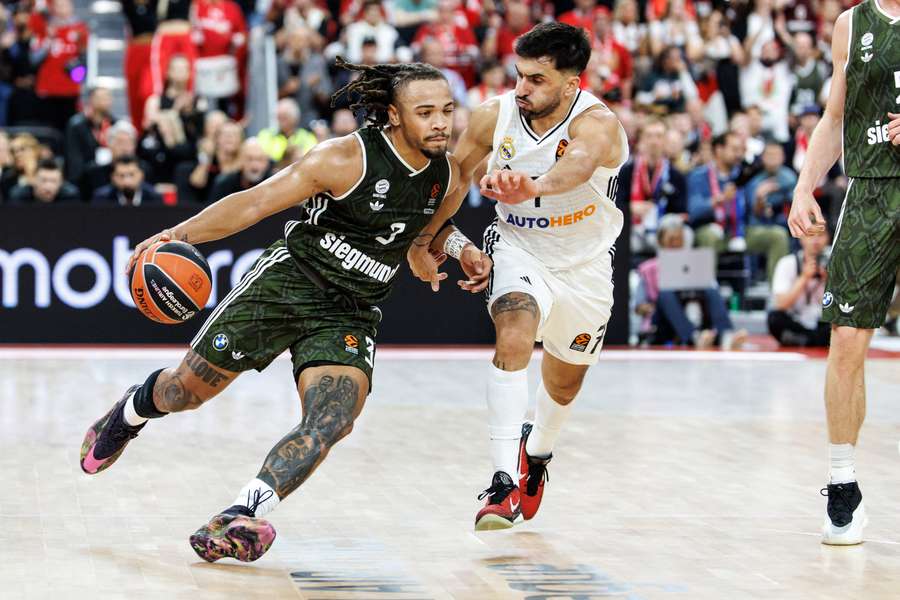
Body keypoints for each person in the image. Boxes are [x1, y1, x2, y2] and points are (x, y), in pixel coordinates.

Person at [78, 58, 489, 563]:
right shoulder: (344, 158)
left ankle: (237, 516)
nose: (442, 122)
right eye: (426, 112)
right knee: (182, 392)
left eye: (447, 110)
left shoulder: (446, 174)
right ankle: (131, 410)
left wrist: (455, 249)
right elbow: (253, 204)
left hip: (351, 311)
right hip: (287, 285)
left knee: (334, 418)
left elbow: (429, 226)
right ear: (393, 115)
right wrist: (176, 235)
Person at [409, 22, 628, 530]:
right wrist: (425, 240)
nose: (521, 88)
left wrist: (532, 185)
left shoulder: (598, 124)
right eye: (519, 75)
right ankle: (503, 480)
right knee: (513, 328)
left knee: (565, 385)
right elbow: (455, 178)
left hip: (586, 265)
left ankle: (538, 454)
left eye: (536, 80)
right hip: (520, 247)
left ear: (570, 83)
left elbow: (575, 168)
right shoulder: (495, 116)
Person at [788, 0, 900, 546]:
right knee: (847, 336)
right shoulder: (851, 25)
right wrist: (804, 184)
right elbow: (835, 117)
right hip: (872, 188)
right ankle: (841, 482)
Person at [635, 214, 746, 349]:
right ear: (661, 240)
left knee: (710, 288)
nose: (675, 244)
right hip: (662, 322)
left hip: (694, 312)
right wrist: (649, 308)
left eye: (679, 240)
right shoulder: (647, 269)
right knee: (666, 294)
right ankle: (693, 338)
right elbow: (638, 305)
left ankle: (726, 335)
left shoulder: (694, 263)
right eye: (671, 240)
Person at [768, 231, 830, 347]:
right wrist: (804, 278)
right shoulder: (787, 263)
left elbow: (840, 307)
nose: (816, 240)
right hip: (796, 321)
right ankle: (814, 341)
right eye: (811, 235)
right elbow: (781, 304)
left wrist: (829, 282)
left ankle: (807, 340)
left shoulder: (834, 263)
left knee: (840, 324)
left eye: (821, 235)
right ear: (801, 238)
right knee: (774, 319)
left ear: (828, 238)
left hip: (822, 323)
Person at [64, 87, 115, 185]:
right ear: (91, 100)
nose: (106, 101)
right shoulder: (76, 125)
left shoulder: (114, 123)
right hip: (85, 174)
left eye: (108, 97)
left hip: (109, 174)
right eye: (101, 97)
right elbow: (73, 157)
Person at [207, 137, 272, 202]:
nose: (254, 165)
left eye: (260, 159)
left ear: (267, 162)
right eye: (249, 159)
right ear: (241, 160)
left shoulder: (274, 184)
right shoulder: (224, 184)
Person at [257, 98, 317, 162]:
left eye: (284, 118)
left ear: (295, 119)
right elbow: (262, 156)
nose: (279, 122)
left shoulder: (307, 137)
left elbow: (311, 157)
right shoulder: (266, 135)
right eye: (278, 117)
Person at [92, 155, 163, 206]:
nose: (127, 181)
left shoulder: (154, 197)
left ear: (141, 175)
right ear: (113, 177)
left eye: (131, 175)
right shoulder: (102, 198)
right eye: (121, 176)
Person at [8, 158, 80, 204]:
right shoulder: (19, 197)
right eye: (43, 180)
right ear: (33, 180)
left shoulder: (70, 197)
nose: (48, 186)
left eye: (53, 181)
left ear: (61, 182)